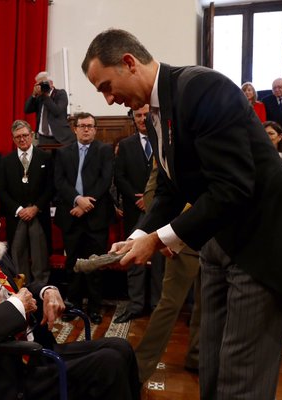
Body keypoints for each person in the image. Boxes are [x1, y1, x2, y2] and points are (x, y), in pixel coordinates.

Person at [82, 28, 282, 399]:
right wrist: (137, 236)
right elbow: (170, 185)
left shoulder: (202, 88)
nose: (107, 98)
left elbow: (233, 187)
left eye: (105, 85)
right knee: (211, 365)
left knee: (240, 373)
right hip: (219, 240)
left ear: (129, 63)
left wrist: (159, 239)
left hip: (262, 244)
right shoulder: (154, 108)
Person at [0, 182, 140, 400]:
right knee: (108, 363)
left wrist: (47, 290)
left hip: (35, 351)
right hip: (6, 374)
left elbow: (22, 289)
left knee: (121, 347)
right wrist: (17, 306)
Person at [134, 163, 201, 382]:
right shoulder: (171, 146)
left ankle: (197, 357)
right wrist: (161, 235)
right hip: (181, 239)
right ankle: (138, 368)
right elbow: (154, 193)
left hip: (218, 241)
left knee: (207, 306)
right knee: (169, 305)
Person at [53, 112, 114, 325]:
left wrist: (86, 205)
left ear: (95, 129)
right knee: (73, 264)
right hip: (71, 216)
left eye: (90, 126)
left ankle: (95, 307)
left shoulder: (104, 150)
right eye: (82, 126)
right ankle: (75, 305)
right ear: (75, 129)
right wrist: (77, 199)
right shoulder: (63, 153)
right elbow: (59, 181)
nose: (86, 129)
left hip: (96, 217)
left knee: (95, 264)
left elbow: (105, 180)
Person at [113, 104, 162, 323]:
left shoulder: (164, 142)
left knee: (160, 260)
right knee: (133, 258)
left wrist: (150, 199)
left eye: (146, 115)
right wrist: (137, 199)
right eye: (138, 115)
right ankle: (135, 305)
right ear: (133, 118)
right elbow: (119, 176)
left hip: (161, 210)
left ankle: (157, 305)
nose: (142, 119)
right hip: (134, 210)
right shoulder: (125, 145)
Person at [0, 120, 53, 284]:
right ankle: (23, 293)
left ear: (32, 135)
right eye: (18, 137)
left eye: (25, 135)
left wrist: (36, 208)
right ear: (13, 139)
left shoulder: (45, 157)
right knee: (18, 256)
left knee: (40, 257)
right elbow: (2, 189)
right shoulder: (6, 161)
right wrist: (19, 209)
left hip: (38, 215)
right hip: (17, 216)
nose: (22, 139)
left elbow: (50, 187)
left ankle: (41, 289)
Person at [24, 71, 75, 146]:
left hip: (60, 138)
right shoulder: (39, 97)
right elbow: (27, 110)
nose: (41, 87)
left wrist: (45, 96)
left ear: (51, 83)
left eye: (43, 84)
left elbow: (57, 111)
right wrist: (33, 95)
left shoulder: (60, 93)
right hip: (43, 138)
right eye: (39, 84)